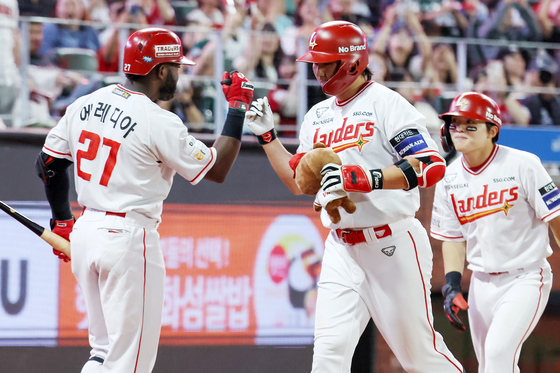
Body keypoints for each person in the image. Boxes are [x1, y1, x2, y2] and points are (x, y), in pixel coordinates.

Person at [245, 20, 464, 373]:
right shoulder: (317, 116)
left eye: (323, 61)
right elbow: (298, 182)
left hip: (391, 241)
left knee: (419, 355)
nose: (316, 69)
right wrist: (268, 136)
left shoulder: (386, 103)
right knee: (329, 354)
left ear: (351, 62)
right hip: (341, 248)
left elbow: (429, 165)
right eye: (314, 62)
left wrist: (367, 177)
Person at [35, 27, 253, 373]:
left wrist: (62, 219)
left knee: (102, 353)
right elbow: (217, 168)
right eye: (176, 66)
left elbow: (48, 164)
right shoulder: (158, 120)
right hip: (128, 238)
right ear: (161, 71)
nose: (179, 74)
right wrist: (238, 109)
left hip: (87, 231)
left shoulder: (84, 102)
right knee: (129, 365)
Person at [431, 91, 560, 372]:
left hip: (525, 276)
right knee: (491, 364)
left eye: (470, 124)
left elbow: (556, 217)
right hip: (481, 283)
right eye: (454, 124)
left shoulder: (524, 164)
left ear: (492, 131)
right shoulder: (448, 179)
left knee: (498, 354)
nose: (460, 130)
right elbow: (453, 239)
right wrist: (452, 285)